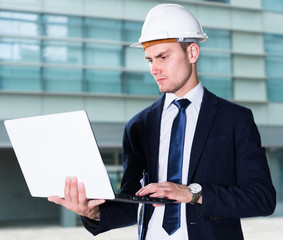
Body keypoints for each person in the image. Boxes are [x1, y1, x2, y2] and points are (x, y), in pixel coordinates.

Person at [48, 3, 276, 240]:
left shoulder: (234, 119)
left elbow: (262, 198)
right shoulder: (138, 126)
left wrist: (192, 194)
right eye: (149, 60)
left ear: (192, 53)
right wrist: (93, 212)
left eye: (163, 57)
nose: (154, 69)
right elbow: (134, 201)